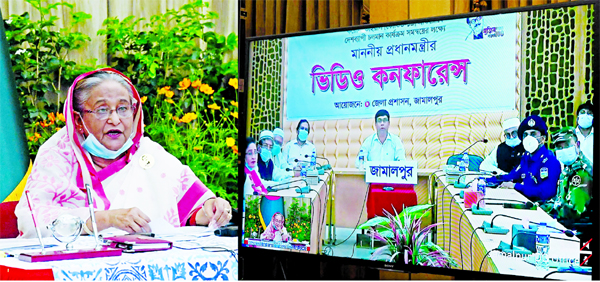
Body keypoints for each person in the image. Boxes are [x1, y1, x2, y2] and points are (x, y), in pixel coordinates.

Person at [15, 68, 232, 238]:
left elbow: (191, 210)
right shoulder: (58, 155)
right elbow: (32, 221)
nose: (115, 120)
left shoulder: (149, 153)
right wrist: (104, 219)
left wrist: (210, 210)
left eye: (123, 108)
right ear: (78, 119)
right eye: (102, 110)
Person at [486, 115, 561, 203]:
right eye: (525, 135)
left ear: (543, 139)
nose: (529, 138)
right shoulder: (527, 158)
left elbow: (546, 192)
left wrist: (516, 186)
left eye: (533, 134)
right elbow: (511, 176)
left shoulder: (550, 160)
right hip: (526, 204)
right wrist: (485, 181)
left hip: (543, 209)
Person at [541, 128, 593, 221]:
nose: (563, 150)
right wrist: (540, 208)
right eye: (559, 147)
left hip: (573, 230)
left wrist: (549, 214)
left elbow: (575, 213)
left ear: (577, 145)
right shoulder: (568, 168)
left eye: (567, 146)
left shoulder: (582, 172)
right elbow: (559, 200)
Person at [244, 137, 284, 228]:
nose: (254, 156)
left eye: (255, 152)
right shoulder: (245, 174)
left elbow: (261, 185)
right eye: (250, 153)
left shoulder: (253, 171)